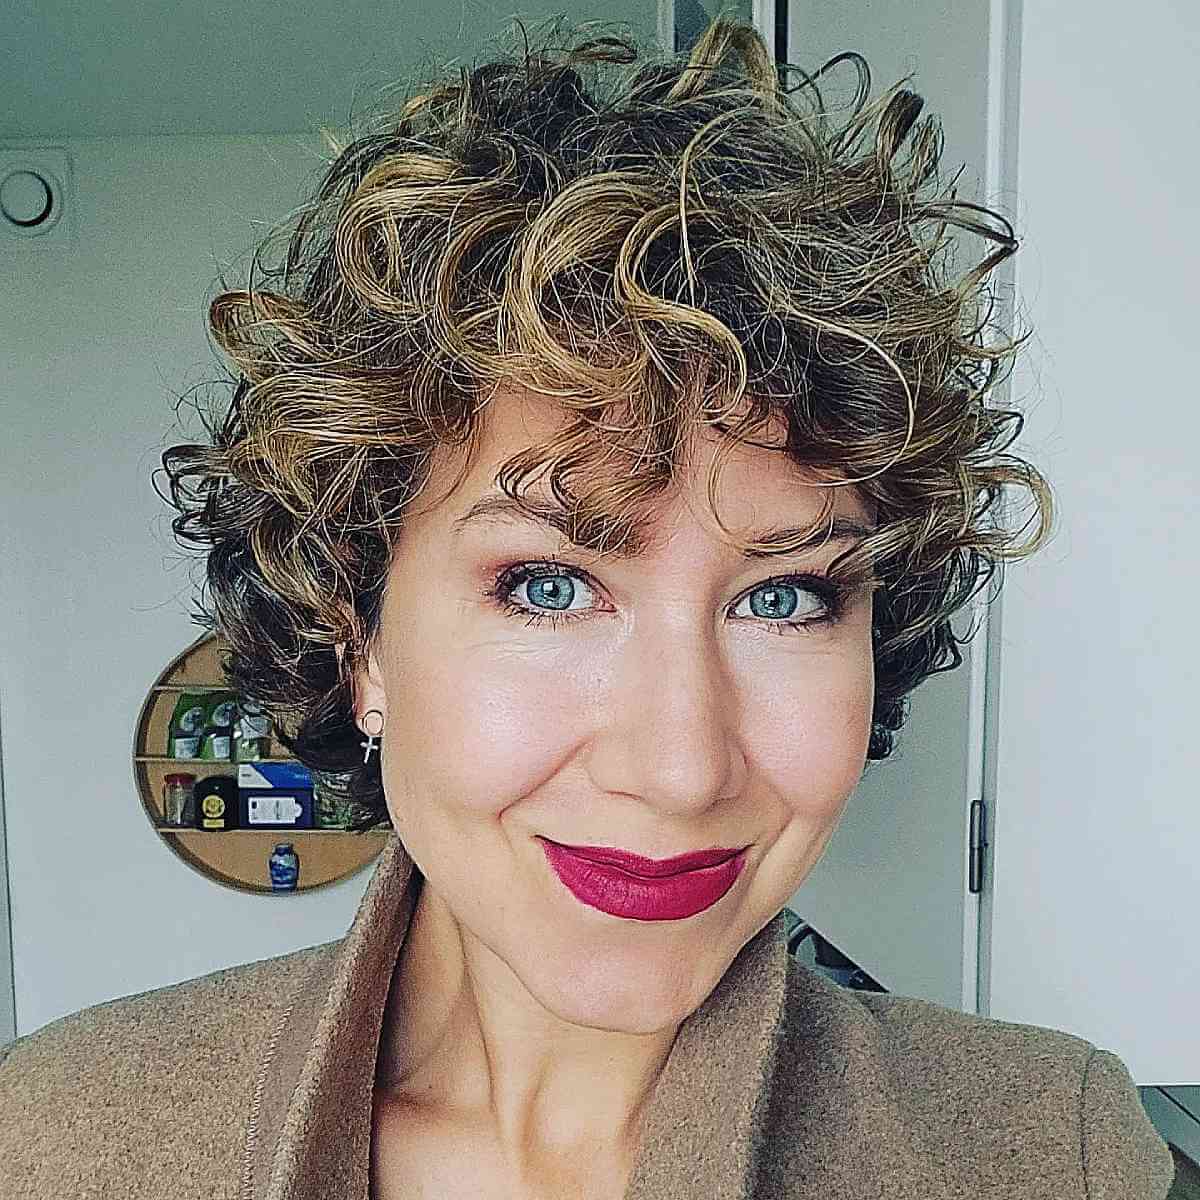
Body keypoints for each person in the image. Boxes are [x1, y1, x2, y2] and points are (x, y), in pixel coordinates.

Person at [0, 15, 1175, 1200]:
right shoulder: (62, 1140)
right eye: (549, 588)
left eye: (785, 597)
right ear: (360, 640)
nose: (681, 770)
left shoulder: (1048, 1150)